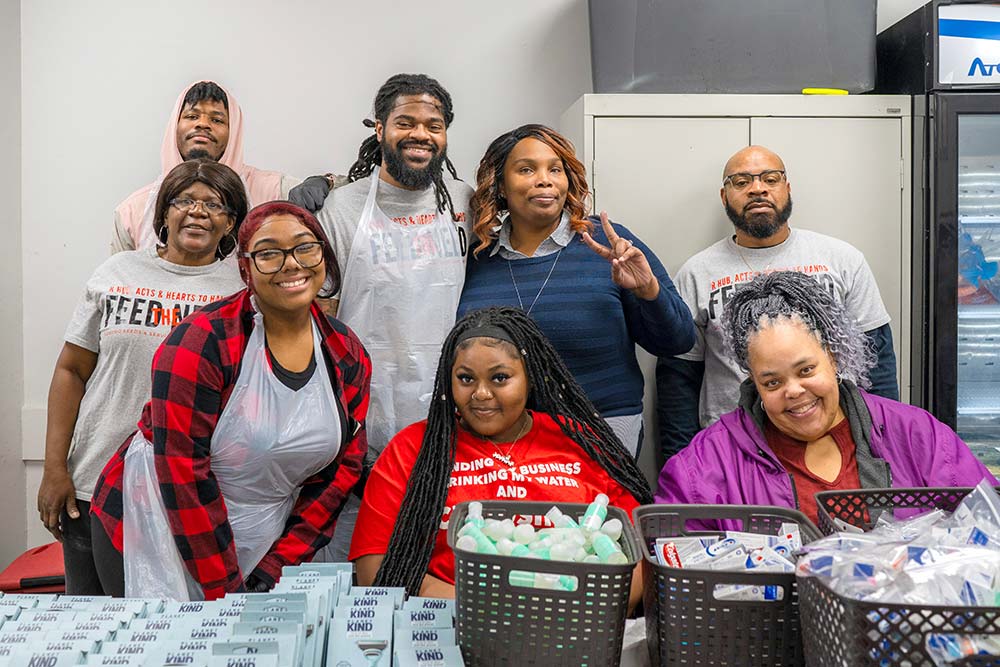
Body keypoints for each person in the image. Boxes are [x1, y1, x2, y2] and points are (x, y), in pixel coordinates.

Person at [90, 201, 370, 600]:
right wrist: (226, 592)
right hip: (155, 516)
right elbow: (184, 472)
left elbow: (343, 469)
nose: (292, 264)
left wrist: (276, 565)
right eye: (269, 253)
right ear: (245, 269)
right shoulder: (201, 342)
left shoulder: (345, 352)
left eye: (306, 247)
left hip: (264, 534)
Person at [37, 159, 247, 595]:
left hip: (187, 492)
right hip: (92, 481)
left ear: (230, 223)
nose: (197, 212)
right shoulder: (116, 274)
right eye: (184, 200)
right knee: (90, 621)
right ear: (164, 213)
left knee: (173, 620)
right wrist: (55, 468)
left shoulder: (241, 292)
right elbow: (71, 370)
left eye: (214, 204)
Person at [350, 306, 652, 605]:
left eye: (500, 378)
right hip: (450, 621)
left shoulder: (581, 441)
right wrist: (494, 607)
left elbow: (640, 556)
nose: (481, 393)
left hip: (574, 620)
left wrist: (575, 609)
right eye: (466, 378)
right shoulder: (412, 449)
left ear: (530, 378)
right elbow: (374, 570)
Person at [655, 271, 994, 525]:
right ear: (753, 382)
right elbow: (674, 554)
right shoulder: (708, 463)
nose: (793, 391)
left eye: (806, 370)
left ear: (833, 356)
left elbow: (987, 520)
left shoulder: (916, 435)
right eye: (772, 382)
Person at [458, 124, 695, 457]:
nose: (545, 180)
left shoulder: (607, 243)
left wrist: (648, 290)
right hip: (501, 433)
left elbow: (679, 341)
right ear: (500, 184)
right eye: (527, 169)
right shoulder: (476, 258)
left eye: (555, 169)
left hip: (602, 427)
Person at [314, 74, 473, 559]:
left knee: (435, 549)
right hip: (363, 410)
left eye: (434, 125)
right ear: (380, 128)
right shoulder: (343, 206)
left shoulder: (464, 202)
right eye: (405, 122)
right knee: (359, 551)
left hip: (447, 408)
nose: (420, 134)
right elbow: (320, 311)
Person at [656, 145, 899, 460]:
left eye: (770, 179)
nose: (757, 189)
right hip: (735, 448)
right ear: (724, 196)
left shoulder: (842, 260)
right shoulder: (696, 273)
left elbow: (877, 360)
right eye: (741, 182)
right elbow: (679, 378)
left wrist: (884, 444)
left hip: (838, 442)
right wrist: (681, 458)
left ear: (788, 188)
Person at [112, 80, 300, 253]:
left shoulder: (275, 191)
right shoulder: (133, 211)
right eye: (192, 116)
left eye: (217, 120)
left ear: (234, 131)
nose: (202, 124)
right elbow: (119, 275)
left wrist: (318, 184)